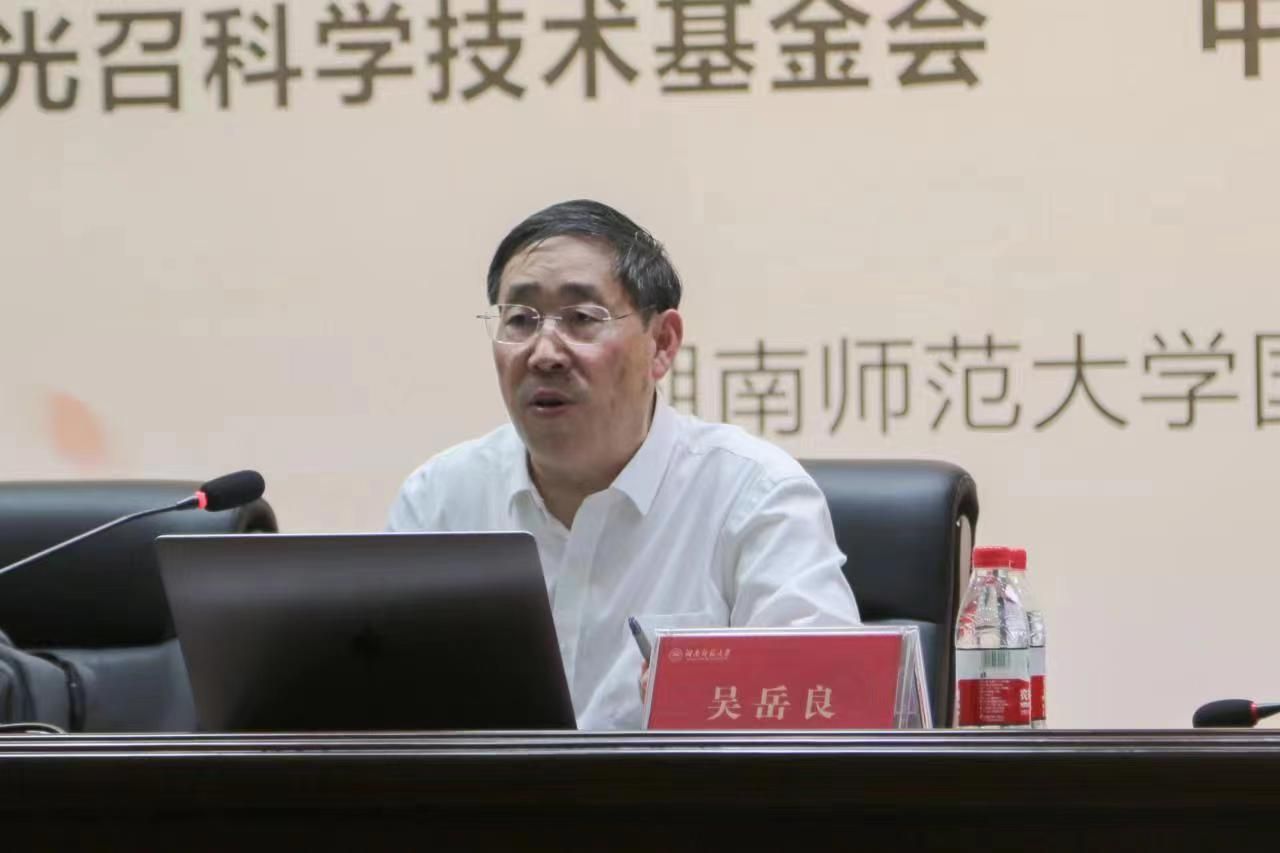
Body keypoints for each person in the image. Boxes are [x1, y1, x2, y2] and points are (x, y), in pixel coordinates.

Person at [387, 199, 859, 729]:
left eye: (582, 319)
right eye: (520, 319)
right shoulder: (439, 502)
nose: (544, 353)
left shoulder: (753, 495)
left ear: (662, 343)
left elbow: (827, 715)